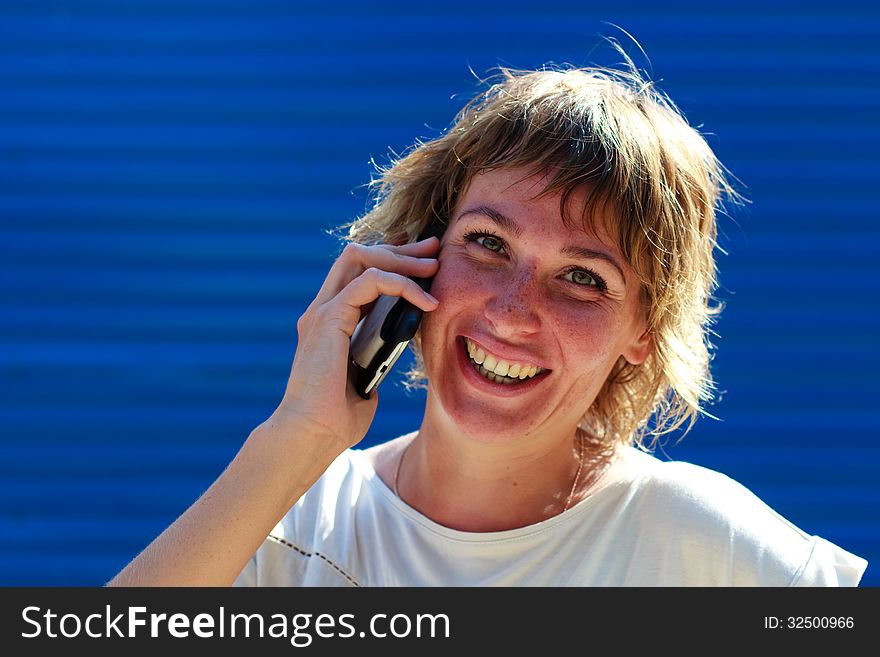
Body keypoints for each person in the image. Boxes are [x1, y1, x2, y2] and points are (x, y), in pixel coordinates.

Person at [108, 58, 867, 587]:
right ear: (414, 257)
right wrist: (293, 439)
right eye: (488, 243)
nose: (511, 310)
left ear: (644, 330)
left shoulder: (698, 539)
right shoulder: (292, 517)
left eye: (582, 277)